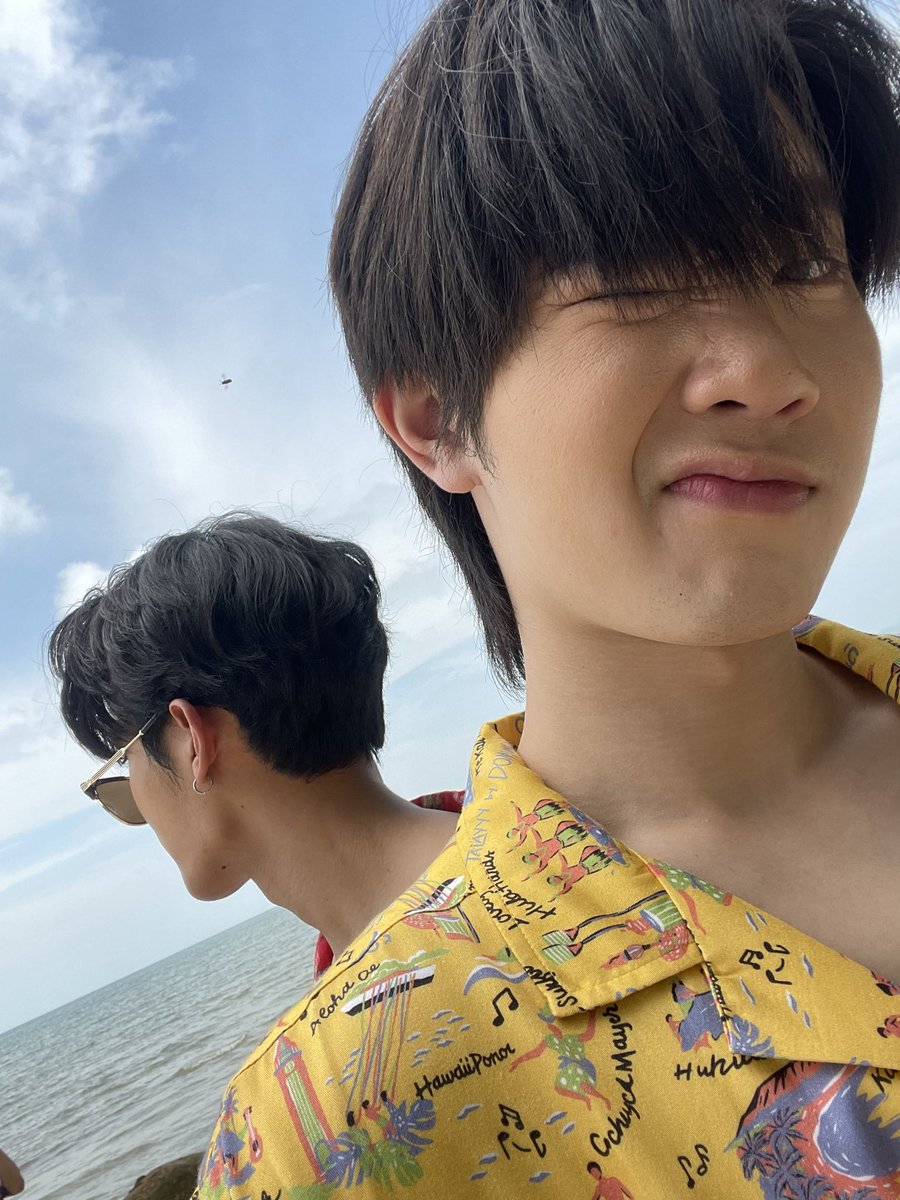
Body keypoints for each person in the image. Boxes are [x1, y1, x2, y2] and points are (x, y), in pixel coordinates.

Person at [190, 0, 900, 1196]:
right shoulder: (350, 1119)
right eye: (631, 276)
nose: (770, 373)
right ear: (435, 417)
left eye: (806, 264)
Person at [49, 513, 459, 965]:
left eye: (126, 763)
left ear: (193, 743)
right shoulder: (513, 827)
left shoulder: (380, 1004)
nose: (141, 811)